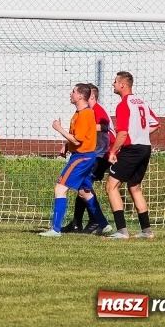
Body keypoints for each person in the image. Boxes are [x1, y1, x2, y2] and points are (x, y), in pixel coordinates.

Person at [39, 83, 110, 237]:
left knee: (60, 188)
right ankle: (104, 224)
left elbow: (78, 141)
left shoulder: (84, 114)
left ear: (80, 96)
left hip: (81, 157)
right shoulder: (79, 114)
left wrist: (59, 129)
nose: (70, 93)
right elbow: (78, 139)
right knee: (85, 192)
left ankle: (55, 229)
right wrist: (67, 145)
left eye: (73, 91)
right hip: (86, 156)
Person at [104, 71, 160, 239]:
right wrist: (140, 133)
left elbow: (122, 133)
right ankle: (146, 231)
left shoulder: (123, 104)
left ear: (123, 85)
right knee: (134, 187)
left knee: (111, 187)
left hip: (132, 149)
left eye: (115, 82)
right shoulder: (141, 102)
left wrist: (113, 152)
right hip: (145, 148)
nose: (113, 84)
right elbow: (156, 124)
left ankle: (121, 231)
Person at [60, 83, 112, 233]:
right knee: (83, 188)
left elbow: (105, 127)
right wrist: (67, 143)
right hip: (91, 152)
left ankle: (96, 220)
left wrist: (88, 127)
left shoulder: (95, 111)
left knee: (83, 189)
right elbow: (79, 134)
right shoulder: (84, 113)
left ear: (91, 96)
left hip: (101, 154)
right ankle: (80, 222)